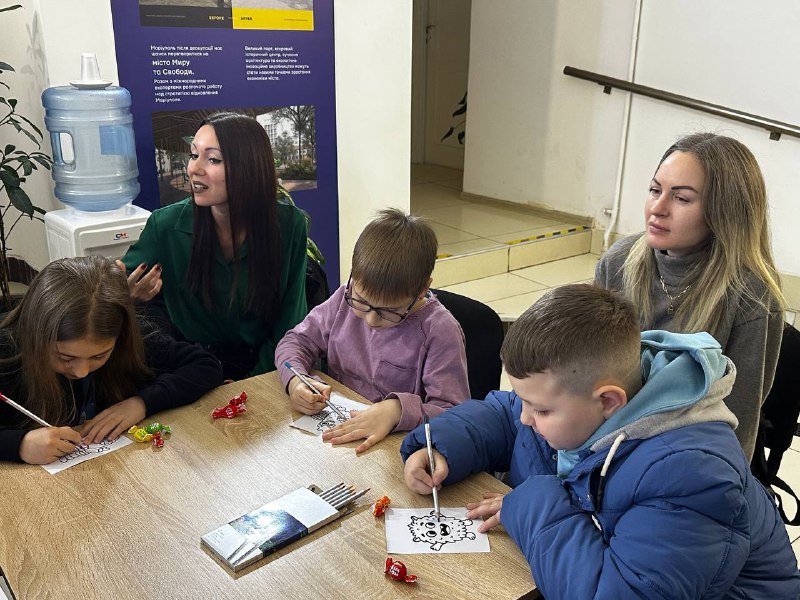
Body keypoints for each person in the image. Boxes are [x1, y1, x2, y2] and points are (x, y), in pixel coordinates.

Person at [402, 284, 800, 599]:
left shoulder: (692, 475)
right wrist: (440, 445)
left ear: (609, 401)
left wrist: (532, 503)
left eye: (539, 409)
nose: (526, 417)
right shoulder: (579, 404)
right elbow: (506, 416)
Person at [595, 132, 785, 461]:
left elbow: (736, 426)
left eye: (681, 199)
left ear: (724, 212)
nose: (657, 207)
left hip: (684, 458)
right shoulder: (618, 261)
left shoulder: (751, 296)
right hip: (603, 439)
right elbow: (580, 375)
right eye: (655, 190)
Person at [120, 111, 308, 380]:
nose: (194, 169)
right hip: (191, 369)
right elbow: (114, 291)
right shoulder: (166, 226)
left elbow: (291, 322)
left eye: (213, 159)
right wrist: (125, 297)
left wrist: (251, 382)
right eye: (193, 155)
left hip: (266, 368)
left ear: (249, 167)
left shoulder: (289, 225)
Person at [275, 208, 469, 454]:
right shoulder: (343, 299)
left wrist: (398, 410)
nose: (371, 319)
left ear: (422, 289)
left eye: (389, 311)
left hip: (395, 450)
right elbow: (294, 342)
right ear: (354, 276)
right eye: (362, 302)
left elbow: (455, 412)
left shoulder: (439, 331)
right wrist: (296, 381)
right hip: (339, 441)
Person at [0, 256, 223, 465]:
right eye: (65, 357)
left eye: (99, 356)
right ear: (35, 336)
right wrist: (19, 444)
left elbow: (206, 366)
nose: (81, 371)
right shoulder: (7, 352)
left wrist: (142, 403)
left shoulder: (134, 339)